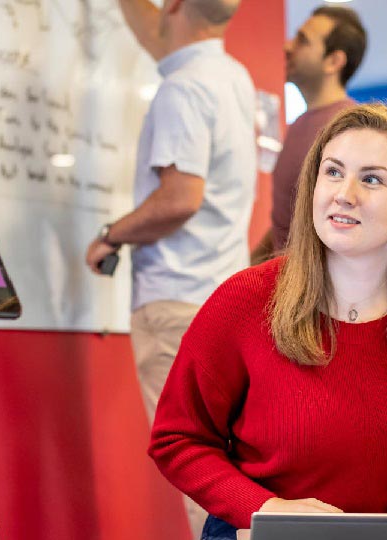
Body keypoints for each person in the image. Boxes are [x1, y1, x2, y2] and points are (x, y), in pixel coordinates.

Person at [148, 104, 387, 540]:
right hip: (259, 532)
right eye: (333, 172)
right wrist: (265, 508)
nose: (345, 194)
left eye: (372, 179)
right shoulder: (244, 300)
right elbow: (178, 438)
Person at [84, 0, 255, 537]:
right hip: (221, 301)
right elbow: (158, 34)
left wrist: (110, 235)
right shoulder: (231, 76)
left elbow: (180, 198)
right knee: (233, 473)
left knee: (204, 481)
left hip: (175, 308)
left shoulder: (183, 88)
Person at [251, 6, 366, 264]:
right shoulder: (299, 125)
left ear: (333, 61)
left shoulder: (349, 129)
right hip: (287, 286)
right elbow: (289, 220)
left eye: (303, 40)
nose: (288, 47)